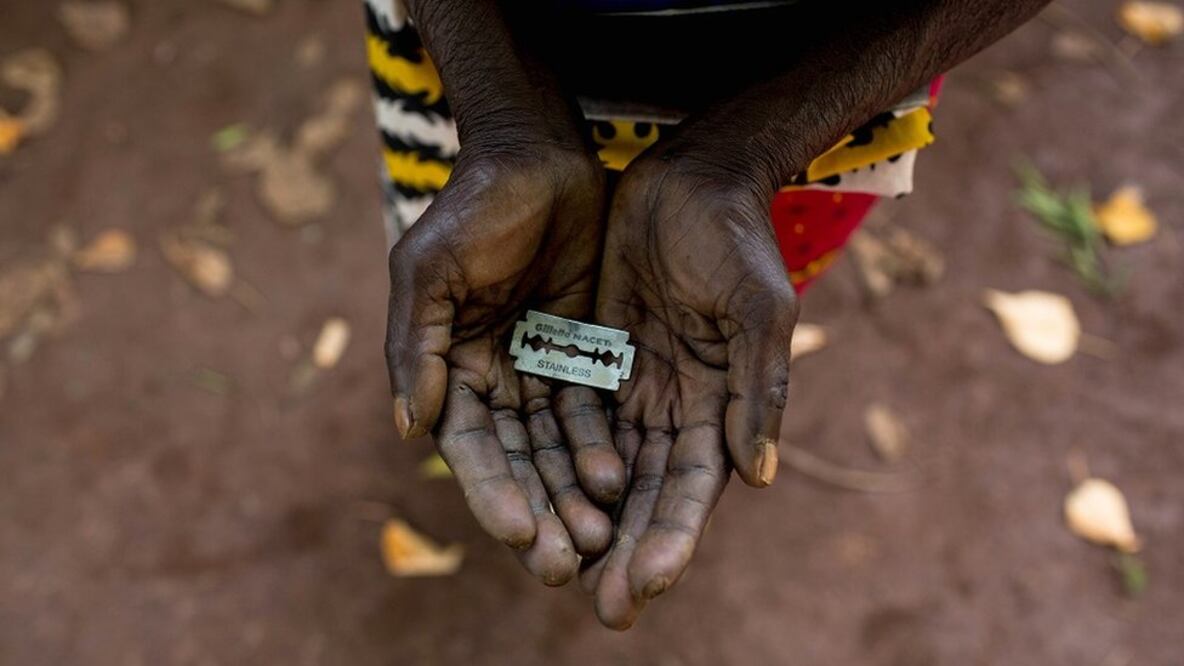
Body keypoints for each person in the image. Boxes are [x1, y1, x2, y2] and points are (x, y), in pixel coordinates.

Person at [366, 0, 1049, 629]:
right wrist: (503, 114)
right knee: (474, 254)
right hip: (472, 67)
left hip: (823, 108)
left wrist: (748, 153)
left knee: (742, 290)